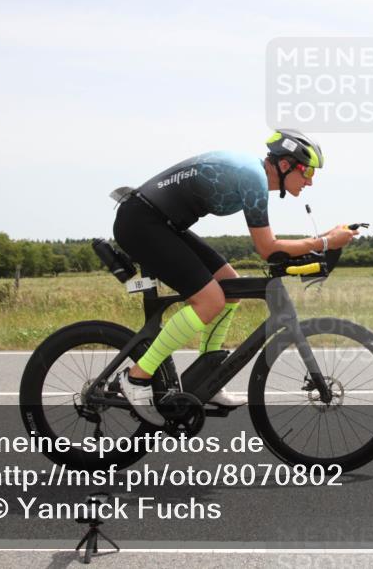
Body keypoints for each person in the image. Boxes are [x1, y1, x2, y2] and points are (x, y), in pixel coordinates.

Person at [112, 129, 358, 426]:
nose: (310, 180)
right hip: (142, 223)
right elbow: (268, 249)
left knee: (231, 288)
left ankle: (208, 379)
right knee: (210, 300)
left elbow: (271, 246)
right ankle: (137, 378)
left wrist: (324, 239)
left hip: (159, 223)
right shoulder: (252, 179)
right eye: (306, 171)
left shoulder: (253, 175)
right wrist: (325, 243)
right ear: (284, 165)